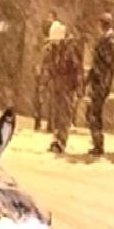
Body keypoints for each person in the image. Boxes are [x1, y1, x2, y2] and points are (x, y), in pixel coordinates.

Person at [44, 22, 83, 153]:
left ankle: (61, 141)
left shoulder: (70, 50)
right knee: (56, 114)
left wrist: (78, 87)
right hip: (56, 86)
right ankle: (56, 139)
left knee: (64, 114)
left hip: (67, 87)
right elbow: (49, 67)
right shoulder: (52, 50)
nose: (53, 43)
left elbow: (77, 69)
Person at [85, 13, 114, 156]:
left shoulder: (109, 41)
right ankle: (97, 143)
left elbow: (106, 64)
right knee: (93, 113)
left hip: (101, 83)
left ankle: (98, 144)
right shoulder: (106, 40)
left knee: (93, 113)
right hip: (99, 81)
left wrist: (99, 79)